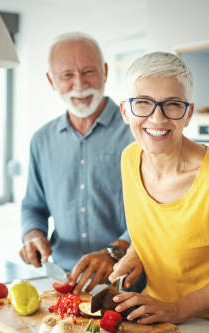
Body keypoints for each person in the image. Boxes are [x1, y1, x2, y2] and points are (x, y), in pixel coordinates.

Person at [109, 52, 209, 333]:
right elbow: (158, 231)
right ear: (125, 111)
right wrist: (136, 253)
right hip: (159, 324)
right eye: (143, 103)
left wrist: (178, 308)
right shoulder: (130, 158)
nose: (157, 118)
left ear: (189, 113)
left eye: (172, 105)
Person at [19, 32, 140, 294]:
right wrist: (33, 234)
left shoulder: (138, 132)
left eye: (88, 72)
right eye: (67, 76)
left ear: (105, 72)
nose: (80, 84)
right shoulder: (41, 140)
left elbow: (158, 212)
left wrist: (115, 252)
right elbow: (33, 206)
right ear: (51, 80)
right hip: (63, 281)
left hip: (127, 285)